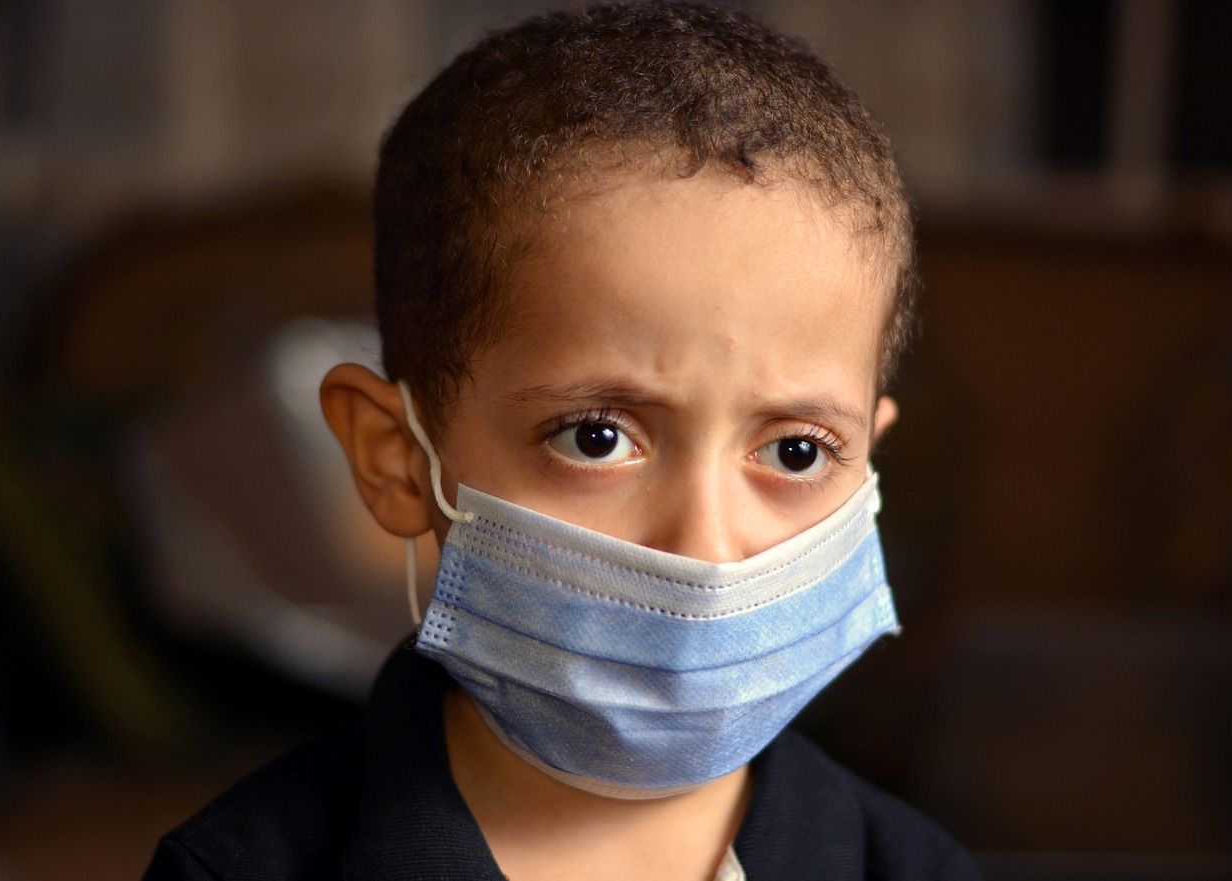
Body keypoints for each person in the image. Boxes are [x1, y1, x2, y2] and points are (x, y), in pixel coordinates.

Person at [144, 3, 981, 879]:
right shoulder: (235, 870)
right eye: (596, 437)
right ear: (394, 456)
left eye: (797, 452)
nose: (707, 548)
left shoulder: (917, 867)